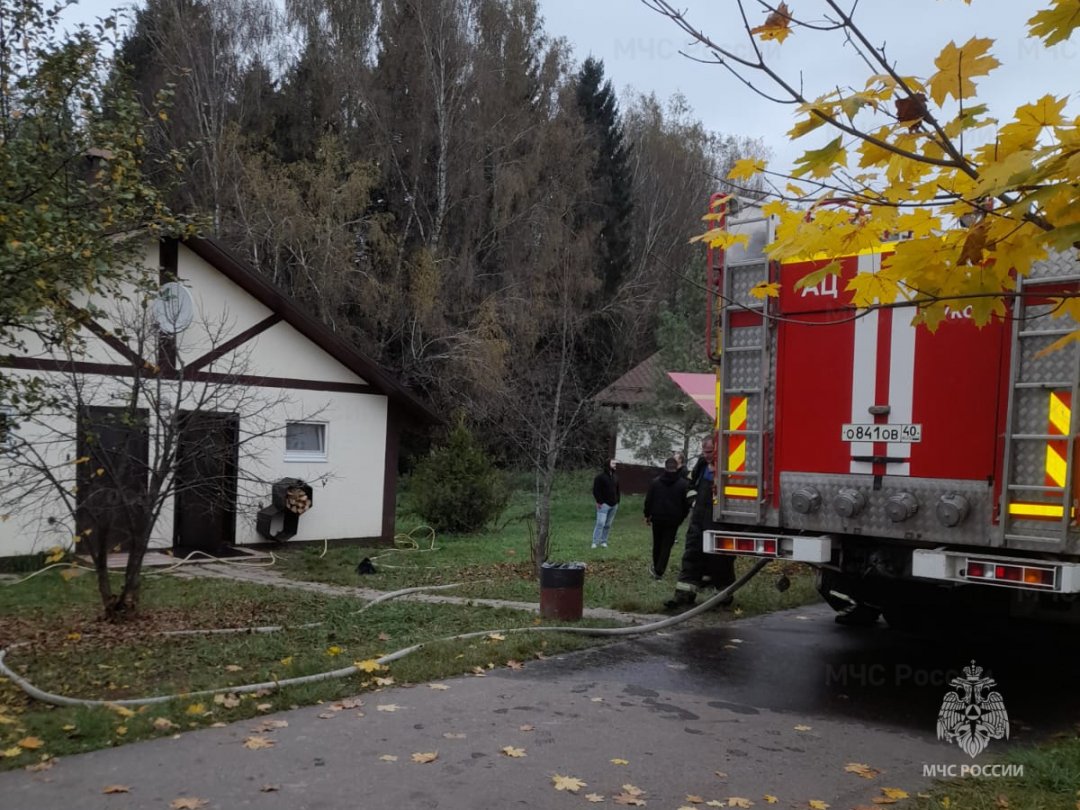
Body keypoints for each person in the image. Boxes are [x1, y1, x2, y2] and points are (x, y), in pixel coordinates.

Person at [664, 455, 736, 610]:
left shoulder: (731, 463)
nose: (707, 454)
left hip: (720, 520)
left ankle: (722, 597)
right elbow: (690, 485)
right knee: (692, 554)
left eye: (710, 450)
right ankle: (683, 596)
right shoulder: (701, 465)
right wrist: (693, 500)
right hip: (698, 520)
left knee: (720, 559)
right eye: (704, 450)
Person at [643, 457, 690, 579]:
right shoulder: (683, 484)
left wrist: (647, 515)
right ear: (676, 467)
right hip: (673, 519)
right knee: (667, 545)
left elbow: (649, 500)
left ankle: (656, 566)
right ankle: (659, 569)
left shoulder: (656, 482)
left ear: (665, 467)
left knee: (657, 543)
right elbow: (686, 504)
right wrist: (682, 517)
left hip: (657, 517)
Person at [591, 458, 620, 548]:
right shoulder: (600, 477)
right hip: (603, 505)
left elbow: (617, 490)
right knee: (600, 523)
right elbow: (596, 490)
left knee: (608, 525)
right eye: (613, 463)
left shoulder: (615, 477)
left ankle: (603, 541)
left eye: (615, 463)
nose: (615, 465)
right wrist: (600, 501)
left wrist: (618, 500)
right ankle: (595, 542)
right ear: (608, 464)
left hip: (614, 504)